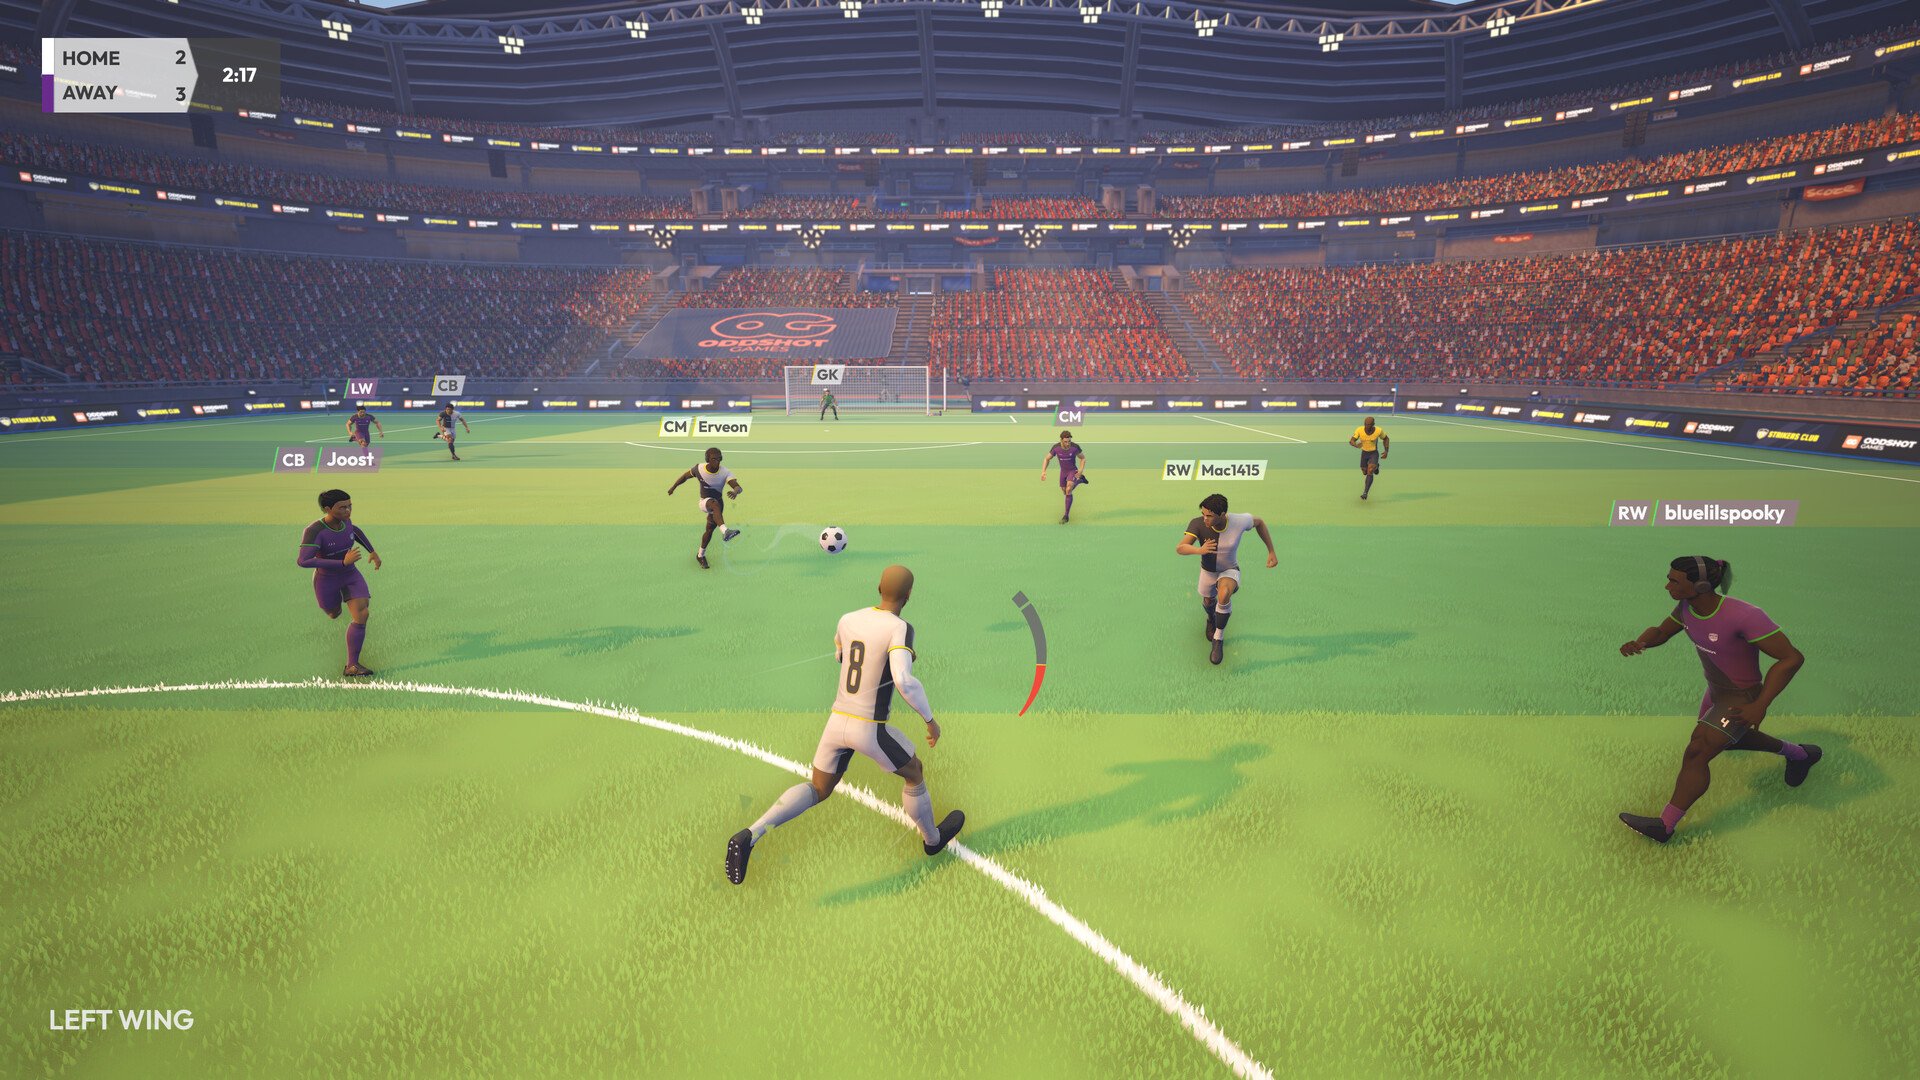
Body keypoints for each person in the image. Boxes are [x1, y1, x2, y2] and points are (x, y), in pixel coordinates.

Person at [727, 565, 964, 884]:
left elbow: (842, 655)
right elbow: (904, 680)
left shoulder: (848, 619)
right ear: (909, 594)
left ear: (878, 587)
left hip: (836, 721)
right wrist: (930, 720)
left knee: (819, 788)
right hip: (869, 729)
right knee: (914, 772)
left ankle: (751, 834)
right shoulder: (900, 628)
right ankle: (933, 840)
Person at [1617, 556, 1817, 843]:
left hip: (1741, 696)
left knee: (1698, 750)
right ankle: (1801, 755)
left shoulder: (1745, 616)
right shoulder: (1686, 607)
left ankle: (1664, 826)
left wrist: (1760, 705)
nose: (1667, 586)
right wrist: (1642, 642)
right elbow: (1661, 631)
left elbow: (1791, 658)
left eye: (1674, 581)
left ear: (1700, 585)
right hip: (1715, 692)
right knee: (1732, 740)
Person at [1176, 493, 1277, 666]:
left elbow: (1259, 522)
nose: (1205, 518)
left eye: (1209, 515)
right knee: (1208, 601)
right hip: (1208, 572)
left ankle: (1218, 639)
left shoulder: (1239, 521)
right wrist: (1199, 550)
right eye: (1203, 514)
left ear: (1222, 514)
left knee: (1224, 594)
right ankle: (1210, 618)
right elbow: (1181, 547)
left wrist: (1271, 551)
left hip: (1230, 570)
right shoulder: (1197, 523)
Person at [297, 489, 382, 677]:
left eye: (350, 506)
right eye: (342, 507)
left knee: (362, 613)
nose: (348, 510)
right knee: (334, 614)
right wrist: (341, 562)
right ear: (328, 509)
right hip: (326, 579)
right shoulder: (314, 531)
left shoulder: (346, 521)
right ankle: (333, 609)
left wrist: (372, 551)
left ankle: (352, 666)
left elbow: (354, 531)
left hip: (350, 574)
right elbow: (303, 561)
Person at [666, 446, 743, 569]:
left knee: (709, 531)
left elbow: (737, 487)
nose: (717, 462)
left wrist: (735, 491)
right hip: (705, 502)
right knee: (714, 504)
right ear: (707, 459)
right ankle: (726, 531)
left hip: (718, 506)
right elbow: (685, 477)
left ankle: (700, 555)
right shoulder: (699, 468)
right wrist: (673, 487)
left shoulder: (725, 472)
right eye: (713, 459)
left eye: (719, 459)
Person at [1039, 429, 1091, 524]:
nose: (1068, 444)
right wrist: (1043, 471)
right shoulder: (1056, 448)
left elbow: (1083, 458)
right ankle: (1080, 480)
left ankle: (1066, 516)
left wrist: (1081, 470)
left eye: (1069, 441)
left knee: (1069, 489)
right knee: (1064, 492)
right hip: (1063, 471)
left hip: (1072, 470)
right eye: (1065, 441)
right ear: (1061, 440)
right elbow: (1047, 459)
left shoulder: (1075, 447)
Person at [1349, 416, 1389, 499]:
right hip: (1364, 453)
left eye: (1369, 424)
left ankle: (1365, 493)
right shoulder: (1359, 430)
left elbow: (1386, 438)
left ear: (1373, 424)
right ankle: (1376, 466)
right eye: (1366, 424)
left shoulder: (1378, 430)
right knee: (1365, 472)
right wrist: (1355, 445)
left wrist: (1386, 451)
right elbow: (1351, 440)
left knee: (1370, 471)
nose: (1367, 426)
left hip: (1373, 453)